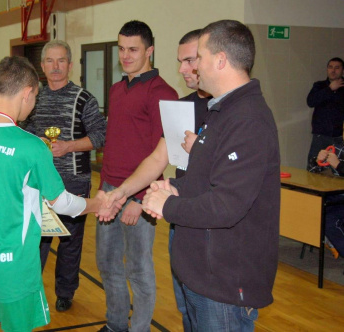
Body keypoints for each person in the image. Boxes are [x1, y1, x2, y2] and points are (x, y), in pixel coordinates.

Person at [0, 56, 118, 332]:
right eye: (35, 96)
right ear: (27, 93)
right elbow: (63, 203)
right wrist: (98, 204)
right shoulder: (31, 146)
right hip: (12, 264)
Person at [142, 20, 280, 331]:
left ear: (220, 60)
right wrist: (174, 188)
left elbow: (227, 205)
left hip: (225, 285)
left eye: (198, 58)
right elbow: (206, 180)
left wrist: (167, 206)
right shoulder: (222, 112)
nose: (189, 69)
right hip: (202, 276)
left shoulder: (248, 119)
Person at [98, 29, 210, 332]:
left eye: (133, 49)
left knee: (138, 268)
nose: (125, 56)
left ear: (149, 51)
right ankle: (116, 325)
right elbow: (113, 143)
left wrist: (138, 199)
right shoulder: (116, 89)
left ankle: (140, 329)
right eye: (121, 49)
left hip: (141, 196)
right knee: (107, 264)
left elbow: (160, 157)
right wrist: (105, 190)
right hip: (112, 190)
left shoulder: (164, 94)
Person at [20, 40, 106, 312]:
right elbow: (23, 131)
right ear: (42, 65)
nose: (55, 67)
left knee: (69, 243)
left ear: (70, 65)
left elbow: (100, 136)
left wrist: (69, 146)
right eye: (50, 61)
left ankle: (65, 292)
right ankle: (30, 290)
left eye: (61, 61)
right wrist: (38, 142)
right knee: (37, 241)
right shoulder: (33, 97)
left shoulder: (84, 99)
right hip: (38, 182)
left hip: (74, 181)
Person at [306, 57, 344, 169]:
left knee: (337, 169)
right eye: (330, 67)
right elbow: (310, 101)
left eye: (337, 68)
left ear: (342, 70)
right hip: (320, 135)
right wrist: (329, 89)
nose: (333, 70)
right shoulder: (319, 86)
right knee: (314, 167)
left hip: (339, 137)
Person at [308, 142, 344, 257]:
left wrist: (338, 165)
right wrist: (317, 161)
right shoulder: (337, 148)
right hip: (335, 195)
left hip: (339, 199)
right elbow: (312, 171)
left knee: (328, 219)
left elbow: (338, 167)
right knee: (311, 208)